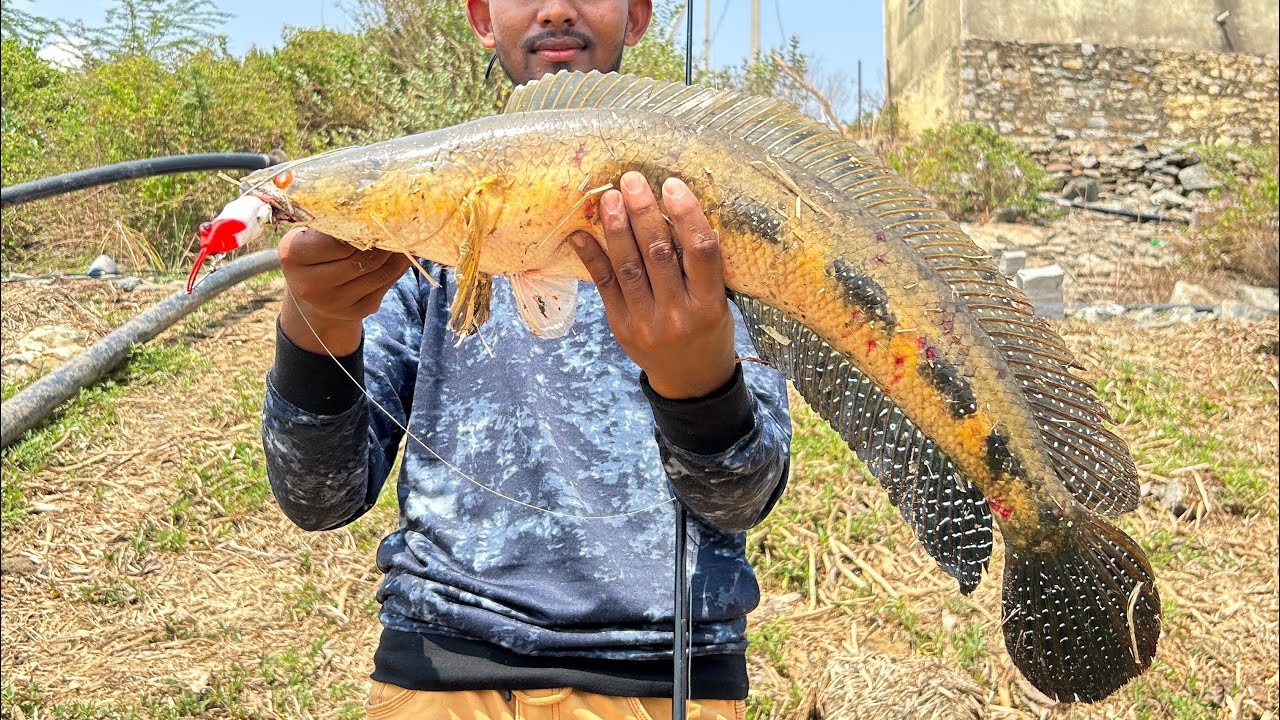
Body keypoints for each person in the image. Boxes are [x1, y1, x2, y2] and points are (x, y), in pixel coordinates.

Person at [261, 1, 792, 717]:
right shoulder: (420, 238)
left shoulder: (708, 219)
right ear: (482, 17)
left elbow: (744, 497)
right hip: (436, 672)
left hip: (667, 682)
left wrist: (699, 386)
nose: (556, 7)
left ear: (637, 17)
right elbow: (321, 496)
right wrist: (315, 325)